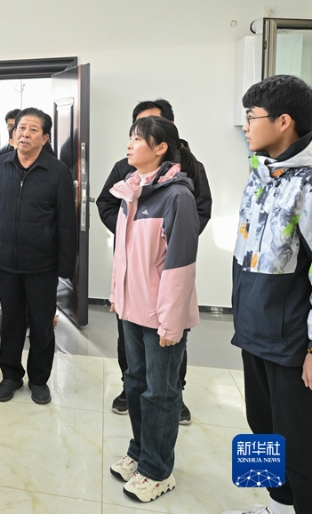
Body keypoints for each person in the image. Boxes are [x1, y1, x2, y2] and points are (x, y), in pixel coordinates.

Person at [223, 75, 312, 514]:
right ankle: (276, 507)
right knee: (261, 429)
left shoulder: (308, 183)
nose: (245, 126)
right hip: (253, 329)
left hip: (290, 341)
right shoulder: (260, 173)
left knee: (299, 445)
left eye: (251, 116)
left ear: (284, 121)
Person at [96, 98, 212, 424]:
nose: (131, 142)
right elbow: (107, 205)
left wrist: (168, 237)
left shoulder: (184, 179)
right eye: (134, 131)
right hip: (132, 282)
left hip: (161, 276)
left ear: (164, 138)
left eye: (142, 133)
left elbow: (198, 212)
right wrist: (133, 235)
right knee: (133, 357)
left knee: (165, 358)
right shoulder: (128, 173)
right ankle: (132, 396)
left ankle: (173, 396)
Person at [107, 115, 200, 503]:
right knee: (135, 383)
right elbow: (124, 253)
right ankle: (140, 451)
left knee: (160, 393)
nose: (129, 145)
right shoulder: (132, 190)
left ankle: (158, 470)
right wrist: (117, 295)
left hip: (162, 316)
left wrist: (172, 322)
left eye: (137, 139)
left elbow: (180, 266)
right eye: (129, 138)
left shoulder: (177, 197)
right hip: (132, 309)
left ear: (161, 148)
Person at [0, 108, 77, 405]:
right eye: (21, 128)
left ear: (45, 138)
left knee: (42, 323)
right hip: (6, 261)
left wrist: (65, 265)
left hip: (42, 264)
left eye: (33, 130)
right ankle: (10, 375)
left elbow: (66, 223)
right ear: (13, 133)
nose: (25, 134)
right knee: (11, 322)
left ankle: (39, 379)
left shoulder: (58, 172)